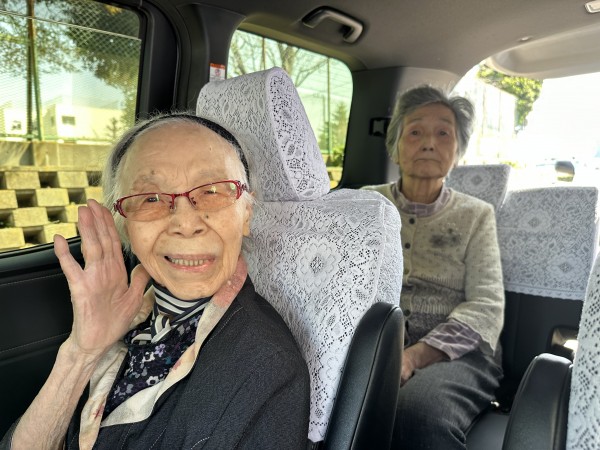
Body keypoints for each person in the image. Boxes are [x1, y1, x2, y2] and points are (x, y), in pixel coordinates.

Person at [1, 114, 310, 450]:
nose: (185, 223)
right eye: (151, 198)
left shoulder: (264, 369)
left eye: (211, 191)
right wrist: (82, 352)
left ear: (246, 214)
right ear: (124, 226)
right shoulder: (127, 314)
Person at [363, 86, 504, 449]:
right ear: (395, 146)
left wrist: (412, 356)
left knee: (418, 414)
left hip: (460, 354)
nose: (429, 143)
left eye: (443, 133)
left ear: (458, 151)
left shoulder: (477, 215)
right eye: (415, 132)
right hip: (375, 345)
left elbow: (486, 305)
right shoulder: (366, 203)